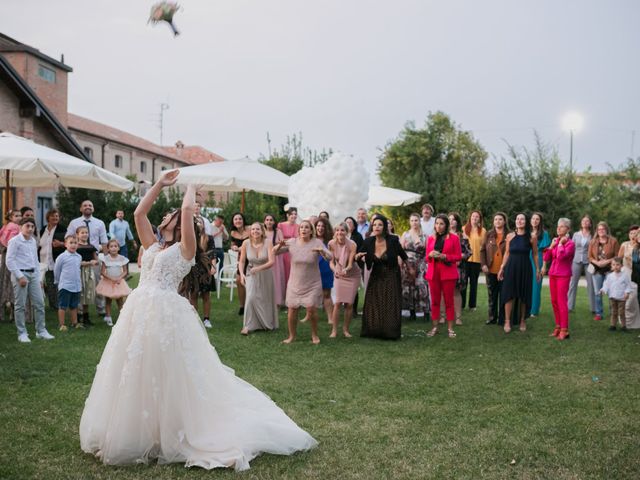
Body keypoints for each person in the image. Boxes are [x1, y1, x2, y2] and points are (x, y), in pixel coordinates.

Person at [79, 170, 317, 471]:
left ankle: (170, 432)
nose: (164, 216)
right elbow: (140, 212)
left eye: (171, 215)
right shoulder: (153, 245)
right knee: (135, 368)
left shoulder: (185, 249)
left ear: (180, 225)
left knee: (168, 372)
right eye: (166, 214)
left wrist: (191, 185)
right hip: (139, 311)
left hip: (165, 313)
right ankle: (142, 432)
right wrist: (161, 184)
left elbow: (189, 210)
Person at [274, 220, 332, 344]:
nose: (304, 230)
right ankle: (292, 336)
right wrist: (279, 245)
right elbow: (273, 252)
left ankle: (315, 335)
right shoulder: (292, 242)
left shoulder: (317, 242)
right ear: (298, 230)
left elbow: (330, 257)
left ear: (311, 230)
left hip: (312, 283)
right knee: (292, 310)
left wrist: (322, 251)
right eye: (301, 227)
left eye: (307, 228)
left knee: (311, 309)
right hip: (294, 283)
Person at [355, 215, 407, 340]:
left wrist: (409, 269)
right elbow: (359, 255)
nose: (377, 227)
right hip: (376, 274)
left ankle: (390, 332)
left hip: (391, 274)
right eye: (374, 224)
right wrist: (358, 257)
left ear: (384, 227)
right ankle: (373, 330)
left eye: (380, 224)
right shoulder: (368, 241)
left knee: (390, 303)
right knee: (374, 302)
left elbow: (403, 255)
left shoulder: (393, 240)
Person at [5, 217, 55, 342]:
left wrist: (39, 279)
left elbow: (35, 261)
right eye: (27, 226)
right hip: (20, 275)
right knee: (20, 305)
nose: (30, 229)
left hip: (33, 275)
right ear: (21, 227)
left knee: (39, 303)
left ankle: (41, 331)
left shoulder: (33, 241)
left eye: (32, 226)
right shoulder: (14, 241)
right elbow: (9, 261)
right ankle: (22, 333)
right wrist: (20, 276)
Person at [499, 213, 540, 333]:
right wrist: (502, 267)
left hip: (525, 267)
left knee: (523, 294)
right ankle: (507, 321)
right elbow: (507, 253)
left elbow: (535, 254)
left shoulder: (532, 237)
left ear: (526, 222)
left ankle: (523, 320)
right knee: (508, 294)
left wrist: (537, 269)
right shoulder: (510, 236)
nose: (519, 221)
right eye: (517, 219)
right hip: (511, 267)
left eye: (522, 219)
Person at [67, 200, 108, 316]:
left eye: (90, 205)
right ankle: (79, 310)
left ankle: (101, 309)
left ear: (93, 209)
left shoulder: (99, 223)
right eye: (85, 205)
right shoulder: (74, 223)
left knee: (97, 283)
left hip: (93, 258)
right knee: (79, 284)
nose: (88, 207)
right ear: (81, 209)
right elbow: (68, 238)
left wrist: (107, 260)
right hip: (77, 258)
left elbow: (104, 242)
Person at [425, 214, 462, 338]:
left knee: (448, 302)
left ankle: (450, 329)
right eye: (436, 223)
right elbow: (426, 258)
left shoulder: (454, 238)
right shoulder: (430, 238)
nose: (438, 226)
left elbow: (458, 256)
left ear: (446, 225)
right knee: (435, 302)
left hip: (448, 274)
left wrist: (445, 256)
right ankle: (435, 327)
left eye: (441, 223)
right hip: (433, 273)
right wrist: (430, 255)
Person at [239, 222, 277, 335]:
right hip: (251, 273)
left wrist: (259, 268)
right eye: (253, 229)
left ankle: (264, 323)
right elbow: (241, 261)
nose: (255, 231)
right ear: (250, 232)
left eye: (258, 229)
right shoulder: (245, 243)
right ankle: (247, 326)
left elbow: (272, 261)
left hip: (266, 273)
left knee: (264, 299)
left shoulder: (268, 243)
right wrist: (241, 274)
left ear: (262, 231)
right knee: (250, 297)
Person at [541, 218, 575, 340]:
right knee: (554, 301)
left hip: (563, 275)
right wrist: (552, 245)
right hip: (553, 274)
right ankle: (558, 327)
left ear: (568, 229)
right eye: (557, 226)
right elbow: (546, 257)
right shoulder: (555, 241)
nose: (558, 228)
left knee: (561, 302)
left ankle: (564, 330)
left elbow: (561, 257)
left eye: (562, 226)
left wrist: (560, 244)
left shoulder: (570, 244)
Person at [180, 217, 216, 329]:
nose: (198, 224)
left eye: (200, 222)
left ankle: (206, 319)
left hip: (205, 269)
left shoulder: (209, 238)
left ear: (204, 225)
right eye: (196, 222)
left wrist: (213, 267)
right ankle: (195, 319)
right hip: (192, 269)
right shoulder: (189, 238)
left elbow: (213, 253)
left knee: (206, 295)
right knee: (193, 294)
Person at [328, 222, 360, 338]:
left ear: (347, 232)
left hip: (352, 274)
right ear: (335, 232)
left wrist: (346, 269)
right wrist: (335, 270)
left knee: (349, 304)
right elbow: (331, 262)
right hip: (338, 274)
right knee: (337, 302)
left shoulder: (352, 244)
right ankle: (334, 330)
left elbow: (351, 264)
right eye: (337, 230)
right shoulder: (331, 243)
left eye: (342, 230)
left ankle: (346, 329)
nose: (339, 232)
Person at [480, 212, 508, 326]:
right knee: (492, 296)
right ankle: (492, 317)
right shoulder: (489, 234)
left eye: (500, 219)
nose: (498, 221)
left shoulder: (509, 235)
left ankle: (502, 319)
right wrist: (483, 264)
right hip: (490, 270)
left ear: (504, 221)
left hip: (504, 271)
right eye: (496, 219)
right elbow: (482, 251)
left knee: (504, 295)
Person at [399, 213, 429, 321]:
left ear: (419, 221)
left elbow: (427, 251)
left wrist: (424, 264)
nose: (414, 222)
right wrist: (400, 264)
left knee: (421, 287)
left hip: (420, 264)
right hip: (407, 264)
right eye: (412, 220)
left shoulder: (425, 235)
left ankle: (425, 312)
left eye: (416, 220)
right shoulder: (405, 234)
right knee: (408, 288)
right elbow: (401, 251)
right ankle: (412, 313)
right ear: (409, 222)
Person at [96, 239, 132, 327]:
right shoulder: (106, 259)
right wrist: (111, 278)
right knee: (108, 300)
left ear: (119, 248)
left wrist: (119, 278)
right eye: (111, 246)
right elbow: (103, 272)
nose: (113, 248)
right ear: (108, 249)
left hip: (119, 282)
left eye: (115, 246)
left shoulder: (122, 258)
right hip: (108, 282)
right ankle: (108, 317)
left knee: (120, 301)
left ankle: (122, 318)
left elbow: (125, 271)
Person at [444, 212, 472, 326]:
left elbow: (469, 252)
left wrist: (461, 257)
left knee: (456, 292)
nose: (451, 221)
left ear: (457, 222)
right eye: (449, 219)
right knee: (443, 292)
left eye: (453, 219)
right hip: (444, 266)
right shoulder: (442, 235)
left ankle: (458, 317)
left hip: (458, 268)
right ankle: (443, 316)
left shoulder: (462, 236)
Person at [589, 221, 620, 321]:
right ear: (597, 231)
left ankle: (613, 313)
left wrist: (607, 261)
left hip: (610, 270)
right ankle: (599, 313)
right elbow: (589, 256)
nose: (601, 231)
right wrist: (596, 262)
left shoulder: (613, 241)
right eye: (599, 229)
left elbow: (618, 256)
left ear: (606, 230)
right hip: (596, 270)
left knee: (611, 291)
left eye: (603, 229)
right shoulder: (593, 241)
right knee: (598, 292)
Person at [53, 234, 83, 331]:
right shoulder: (62, 257)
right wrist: (58, 281)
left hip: (76, 286)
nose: (73, 245)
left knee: (74, 305)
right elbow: (57, 270)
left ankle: (75, 323)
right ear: (65, 244)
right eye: (71, 243)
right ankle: (62, 324)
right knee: (63, 306)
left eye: (75, 243)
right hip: (65, 285)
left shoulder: (79, 257)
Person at [39, 209, 67, 310]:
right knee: (50, 284)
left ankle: (61, 304)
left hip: (56, 260)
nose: (55, 218)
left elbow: (70, 243)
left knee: (59, 283)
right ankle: (53, 305)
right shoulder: (43, 229)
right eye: (53, 216)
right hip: (43, 261)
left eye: (57, 216)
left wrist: (61, 244)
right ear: (48, 218)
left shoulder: (62, 229)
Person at [568, 215, 596, 313]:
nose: (585, 222)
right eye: (583, 220)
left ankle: (593, 308)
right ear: (581, 223)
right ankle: (570, 307)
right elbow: (572, 248)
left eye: (587, 221)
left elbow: (594, 249)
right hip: (576, 261)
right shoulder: (576, 234)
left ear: (590, 224)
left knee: (591, 284)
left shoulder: (593, 235)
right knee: (573, 284)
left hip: (589, 262)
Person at [0, 209, 22, 321]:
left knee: (8, 283)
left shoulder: (12, 227)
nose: (19, 217)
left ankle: (10, 311)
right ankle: (10, 311)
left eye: (20, 215)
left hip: (11, 257)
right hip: (10, 257)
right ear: (11, 217)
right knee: (10, 282)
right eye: (16, 215)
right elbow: (7, 241)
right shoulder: (11, 227)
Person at [462, 210, 486, 311]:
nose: (474, 218)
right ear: (470, 218)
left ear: (479, 219)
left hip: (476, 260)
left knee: (474, 283)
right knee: (463, 283)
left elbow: (484, 247)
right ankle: (461, 304)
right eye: (473, 217)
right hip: (465, 260)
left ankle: (472, 305)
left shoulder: (483, 231)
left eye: (477, 217)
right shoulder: (463, 228)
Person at [617, 225, 640, 329]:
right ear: (629, 235)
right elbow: (618, 259)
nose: (633, 235)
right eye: (631, 233)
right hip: (625, 273)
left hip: (636, 274)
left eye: (636, 233)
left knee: (633, 298)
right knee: (624, 298)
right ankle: (624, 322)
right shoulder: (624, 245)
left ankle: (635, 323)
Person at [600, 257, 632, 332]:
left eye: (617, 265)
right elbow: (606, 285)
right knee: (613, 312)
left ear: (621, 266)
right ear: (611, 266)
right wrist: (603, 290)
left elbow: (628, 285)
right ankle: (613, 325)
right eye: (613, 265)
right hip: (613, 297)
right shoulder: (610, 276)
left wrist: (627, 293)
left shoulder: (625, 276)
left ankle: (624, 326)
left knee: (621, 313)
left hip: (622, 298)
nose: (615, 266)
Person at [76, 225, 99, 326]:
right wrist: (89, 263)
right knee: (79, 293)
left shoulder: (91, 247)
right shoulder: (76, 247)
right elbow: (76, 262)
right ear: (77, 235)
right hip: (78, 272)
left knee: (87, 293)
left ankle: (86, 317)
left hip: (89, 272)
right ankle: (77, 316)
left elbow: (96, 260)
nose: (85, 234)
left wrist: (95, 262)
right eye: (82, 233)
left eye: (86, 232)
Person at [529, 212, 551, 317]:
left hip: (539, 259)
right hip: (526, 258)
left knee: (536, 285)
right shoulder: (527, 232)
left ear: (540, 221)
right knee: (527, 284)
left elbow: (546, 251)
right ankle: (525, 308)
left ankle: (534, 310)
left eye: (537, 219)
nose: (535, 221)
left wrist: (544, 266)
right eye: (533, 218)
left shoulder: (544, 234)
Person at [230, 212, 250, 315]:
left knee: (251, 282)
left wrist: (242, 248)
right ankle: (242, 306)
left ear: (243, 220)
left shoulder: (250, 229)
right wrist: (233, 247)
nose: (238, 221)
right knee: (238, 280)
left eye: (240, 219)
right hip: (242, 259)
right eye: (236, 219)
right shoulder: (233, 233)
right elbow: (233, 244)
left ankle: (250, 304)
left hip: (252, 258)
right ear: (233, 222)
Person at [264, 214, 286, 307]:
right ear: (264, 222)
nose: (269, 222)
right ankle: (266, 300)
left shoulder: (278, 231)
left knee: (276, 278)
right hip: (265, 258)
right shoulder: (262, 232)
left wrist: (279, 246)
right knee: (265, 279)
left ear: (274, 222)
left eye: (271, 220)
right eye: (267, 220)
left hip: (276, 258)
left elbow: (283, 243)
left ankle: (277, 301)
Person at [315, 218, 334, 322]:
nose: (320, 228)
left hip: (326, 268)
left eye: (322, 226)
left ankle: (330, 318)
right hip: (312, 269)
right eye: (318, 226)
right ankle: (310, 316)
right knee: (312, 294)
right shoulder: (311, 239)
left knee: (326, 294)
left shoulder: (330, 241)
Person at [344, 216, 364, 316]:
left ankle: (354, 310)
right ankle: (346, 308)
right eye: (346, 222)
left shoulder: (358, 236)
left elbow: (360, 249)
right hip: (343, 265)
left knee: (354, 289)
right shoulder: (341, 235)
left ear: (354, 225)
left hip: (355, 265)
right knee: (344, 288)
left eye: (350, 223)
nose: (348, 224)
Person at [277, 207, 298, 288]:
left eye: (295, 214)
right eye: (291, 214)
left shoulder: (298, 226)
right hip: (283, 251)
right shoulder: (281, 225)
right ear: (287, 215)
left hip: (293, 252)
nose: (293, 216)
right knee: (283, 272)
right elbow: (280, 240)